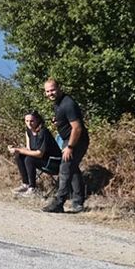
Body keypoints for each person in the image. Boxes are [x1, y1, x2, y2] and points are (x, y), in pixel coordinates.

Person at [41, 78, 90, 214]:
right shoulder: (58, 103)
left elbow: (77, 128)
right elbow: (67, 120)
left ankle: (59, 202)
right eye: (47, 91)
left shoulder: (68, 104)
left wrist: (70, 147)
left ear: (59, 88)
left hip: (76, 141)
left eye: (52, 90)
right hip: (67, 139)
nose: (50, 93)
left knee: (65, 169)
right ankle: (78, 203)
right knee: (72, 169)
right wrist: (58, 121)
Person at [8, 110, 61, 197]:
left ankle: (32, 188)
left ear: (37, 120)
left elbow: (39, 154)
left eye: (32, 121)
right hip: (42, 160)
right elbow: (28, 149)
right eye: (27, 121)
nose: (29, 123)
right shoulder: (28, 131)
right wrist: (16, 149)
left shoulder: (43, 132)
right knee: (19, 156)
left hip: (54, 162)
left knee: (29, 159)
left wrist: (19, 150)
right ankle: (26, 184)